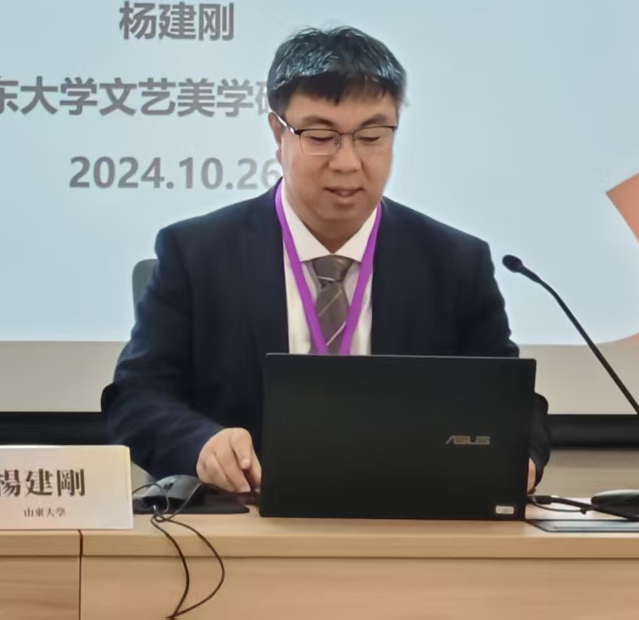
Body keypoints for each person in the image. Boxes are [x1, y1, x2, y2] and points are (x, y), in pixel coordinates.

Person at [102, 25, 550, 494]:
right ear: (278, 132)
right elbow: (136, 397)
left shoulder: (454, 263)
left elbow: (514, 406)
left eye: (371, 136)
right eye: (320, 136)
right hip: (248, 519)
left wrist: (518, 457)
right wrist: (202, 444)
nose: (348, 162)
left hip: (407, 518)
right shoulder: (197, 254)